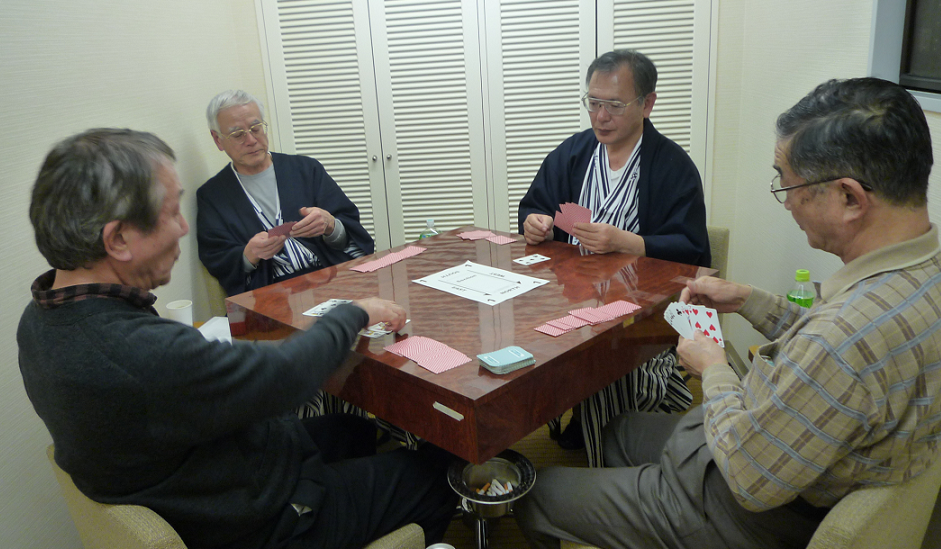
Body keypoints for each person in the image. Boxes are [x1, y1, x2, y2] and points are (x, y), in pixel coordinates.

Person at [515, 77, 941, 549]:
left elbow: (748, 476)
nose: (786, 200)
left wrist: (713, 366)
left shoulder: (842, 339)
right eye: (594, 103)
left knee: (539, 493)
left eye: (788, 182)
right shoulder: (920, 276)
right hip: (782, 441)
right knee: (619, 429)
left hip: (746, 499)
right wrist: (748, 299)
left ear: (849, 198)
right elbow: (823, 343)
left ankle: (661, 509)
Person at [18, 129, 458, 549]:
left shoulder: (40, 319)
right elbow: (286, 376)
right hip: (262, 523)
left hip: (210, 478)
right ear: (117, 239)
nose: (183, 228)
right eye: (170, 213)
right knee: (438, 472)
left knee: (351, 429)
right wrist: (356, 311)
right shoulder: (136, 353)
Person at [518, 50, 710, 460]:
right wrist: (535, 223)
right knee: (527, 342)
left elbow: (692, 250)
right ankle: (577, 416)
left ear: (647, 103)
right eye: (593, 103)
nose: (601, 117)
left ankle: (613, 447)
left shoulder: (673, 166)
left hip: (639, 311)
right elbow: (535, 205)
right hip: (570, 298)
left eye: (615, 105)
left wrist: (629, 242)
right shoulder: (573, 153)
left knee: (608, 364)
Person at [197, 89, 374, 297]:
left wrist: (330, 226)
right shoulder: (213, 196)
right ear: (218, 140)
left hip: (329, 280)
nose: (251, 140)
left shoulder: (306, 170)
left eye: (256, 128)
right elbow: (216, 258)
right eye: (237, 135)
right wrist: (249, 255)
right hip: (268, 296)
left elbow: (351, 230)